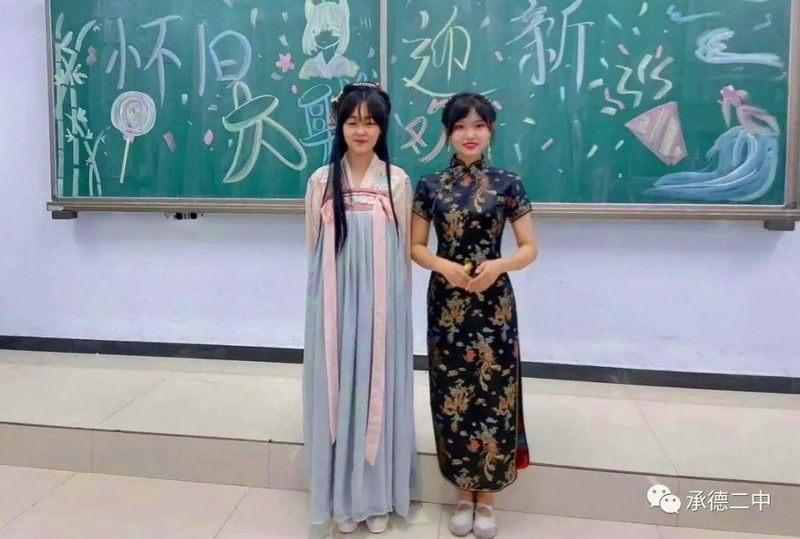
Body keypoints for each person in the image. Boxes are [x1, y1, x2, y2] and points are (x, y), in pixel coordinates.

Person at [410, 92, 538, 538]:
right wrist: (443, 265)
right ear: (448, 133)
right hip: (447, 305)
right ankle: (463, 495)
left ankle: (488, 500)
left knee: (494, 395)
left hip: (493, 303)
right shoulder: (429, 185)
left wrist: (498, 266)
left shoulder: (508, 183)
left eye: (478, 126)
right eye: (461, 126)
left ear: (490, 131)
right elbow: (416, 247)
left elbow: (529, 249)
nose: (470, 134)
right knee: (454, 396)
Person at [303, 82, 418, 534]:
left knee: (377, 387)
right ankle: (340, 497)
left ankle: (375, 496)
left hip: (382, 304)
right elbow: (314, 250)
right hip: (336, 304)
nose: (361, 131)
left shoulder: (397, 181)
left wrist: (397, 310)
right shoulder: (321, 181)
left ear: (382, 128)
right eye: (352, 121)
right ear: (339, 126)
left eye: (370, 122)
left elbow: (404, 250)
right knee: (338, 385)